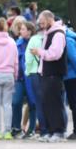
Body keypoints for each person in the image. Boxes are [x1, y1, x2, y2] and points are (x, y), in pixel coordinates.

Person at [31, 11, 67, 142]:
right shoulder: (50, 33)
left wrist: (39, 52)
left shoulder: (57, 34)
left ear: (49, 19)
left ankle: (58, 131)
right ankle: (51, 131)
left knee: (54, 103)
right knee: (47, 103)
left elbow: (55, 54)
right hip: (46, 73)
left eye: (42, 21)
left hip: (54, 73)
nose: (40, 24)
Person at [11, 20, 36, 138]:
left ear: (30, 31)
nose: (20, 31)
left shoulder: (36, 42)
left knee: (33, 103)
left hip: (32, 77)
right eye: (20, 29)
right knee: (16, 102)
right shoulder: (17, 43)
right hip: (20, 78)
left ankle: (31, 129)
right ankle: (15, 128)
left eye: (23, 29)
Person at [23, 20, 45, 138]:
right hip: (46, 73)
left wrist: (27, 71)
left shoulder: (34, 40)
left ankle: (42, 128)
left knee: (37, 103)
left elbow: (29, 58)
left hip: (34, 73)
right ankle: (46, 129)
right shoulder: (47, 39)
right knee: (45, 102)